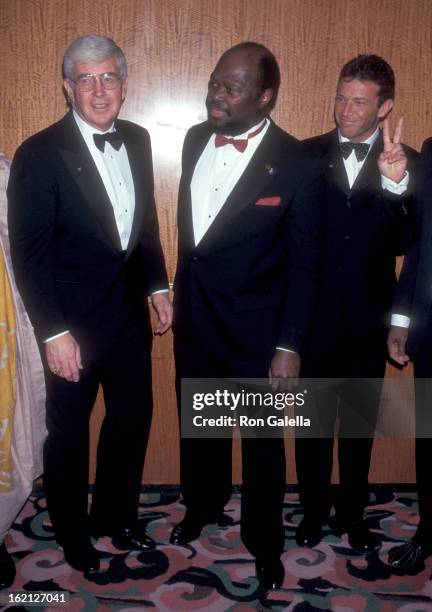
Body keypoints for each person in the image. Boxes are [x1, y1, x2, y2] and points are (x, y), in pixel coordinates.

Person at [7, 35, 172, 574]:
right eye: (86, 79)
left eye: (108, 78)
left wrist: (157, 284)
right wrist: (53, 333)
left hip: (127, 318)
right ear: (67, 86)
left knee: (131, 419)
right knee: (70, 435)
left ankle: (115, 516)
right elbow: (29, 255)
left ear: (124, 86)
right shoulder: (40, 152)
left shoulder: (140, 141)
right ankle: (74, 535)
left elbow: (142, 223)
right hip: (72, 325)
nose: (98, 90)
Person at [171, 42, 323, 590]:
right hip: (196, 322)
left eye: (231, 88)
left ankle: (264, 541)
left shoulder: (298, 161)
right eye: (215, 82)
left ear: (265, 96)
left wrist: (291, 342)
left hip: (259, 332)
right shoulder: (192, 139)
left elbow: (306, 263)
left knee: (261, 447)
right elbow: (196, 240)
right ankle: (203, 506)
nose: (217, 94)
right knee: (202, 430)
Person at [295, 54, 417, 553]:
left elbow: (408, 240)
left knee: (359, 425)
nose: (346, 110)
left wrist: (394, 184)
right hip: (313, 316)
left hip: (369, 318)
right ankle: (312, 512)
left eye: (360, 101)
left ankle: (352, 514)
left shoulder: (405, 161)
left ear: (384, 107)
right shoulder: (304, 155)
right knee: (314, 423)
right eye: (342, 97)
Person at [387, 137, 432, 572]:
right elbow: (417, 245)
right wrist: (401, 318)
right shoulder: (431, 151)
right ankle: (428, 532)